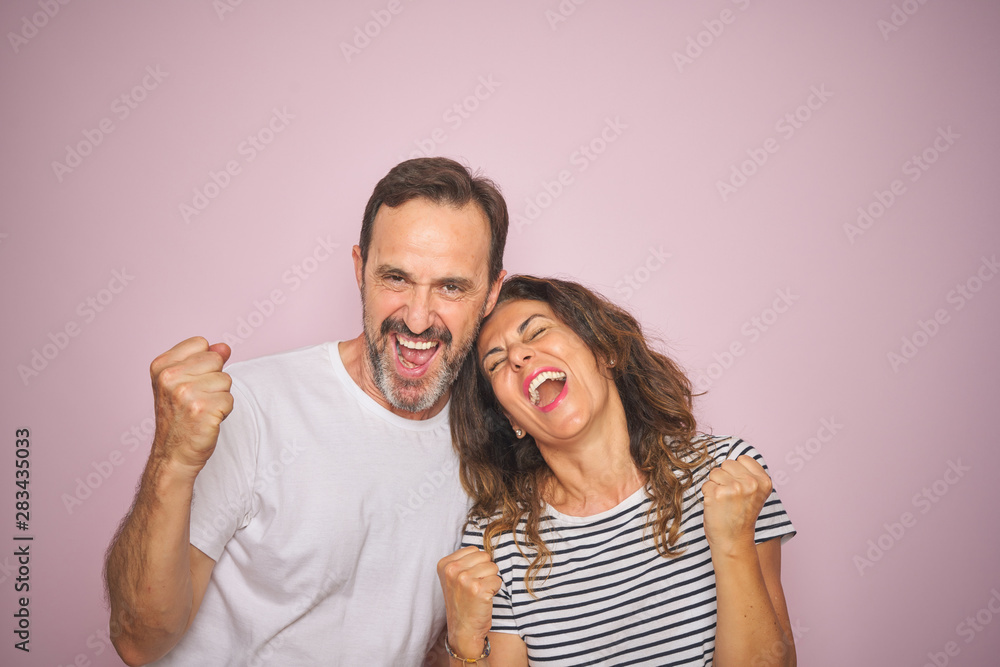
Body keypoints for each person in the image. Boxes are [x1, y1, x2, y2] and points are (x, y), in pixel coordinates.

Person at [104, 157, 509, 666]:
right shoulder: (250, 406)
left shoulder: (490, 445)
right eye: (396, 278)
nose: (417, 317)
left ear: (491, 293)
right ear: (360, 269)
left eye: (451, 287)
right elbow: (138, 640)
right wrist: (171, 460)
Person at [437, 276, 796, 666]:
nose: (518, 356)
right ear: (512, 419)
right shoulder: (495, 540)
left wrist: (733, 546)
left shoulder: (727, 476)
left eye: (537, 332)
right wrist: (464, 639)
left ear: (604, 349)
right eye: (496, 363)